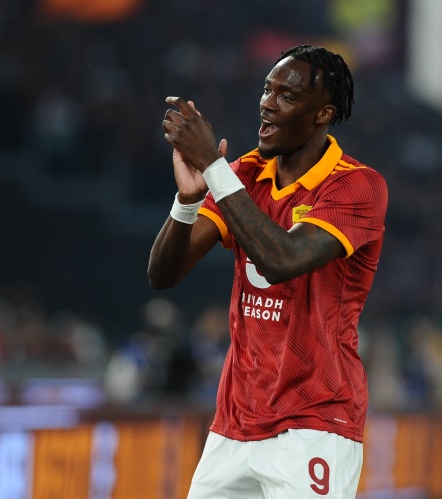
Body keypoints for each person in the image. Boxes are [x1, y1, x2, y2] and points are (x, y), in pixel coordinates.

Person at [149, 44, 388, 498]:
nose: (268, 103)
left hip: (315, 422)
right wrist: (187, 202)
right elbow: (162, 274)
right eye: (267, 89)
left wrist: (215, 168)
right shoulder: (244, 175)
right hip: (234, 424)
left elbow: (282, 261)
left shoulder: (356, 186)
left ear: (323, 114)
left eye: (287, 95)